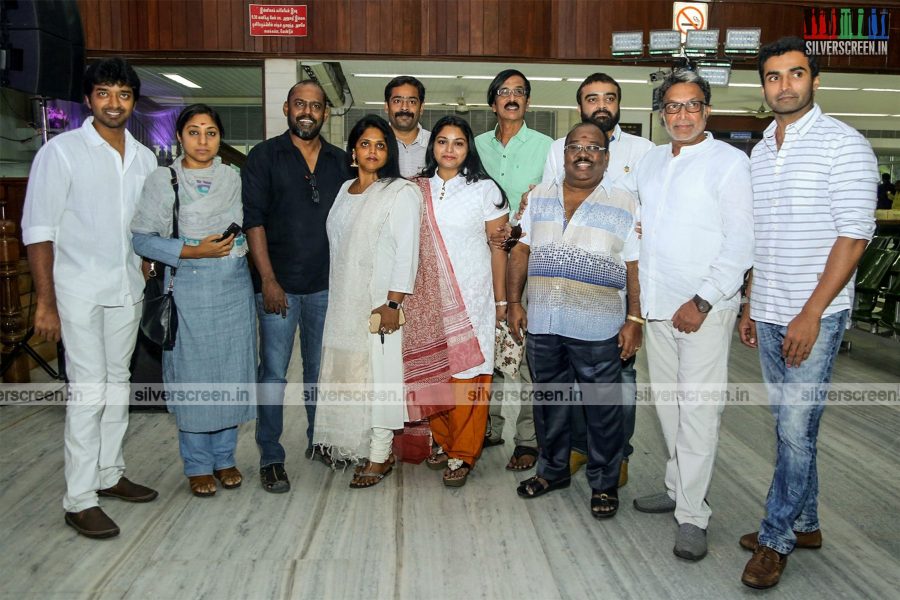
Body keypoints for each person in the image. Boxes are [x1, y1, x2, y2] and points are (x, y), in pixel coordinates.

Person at [738, 37, 878, 590]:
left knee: (796, 430)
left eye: (795, 74)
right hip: (769, 307)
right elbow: (760, 240)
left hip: (812, 315)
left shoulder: (844, 144)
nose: (784, 85)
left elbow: (854, 236)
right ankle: (808, 522)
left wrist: (811, 313)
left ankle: (776, 538)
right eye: (773, 77)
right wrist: (752, 305)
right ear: (764, 86)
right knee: (790, 427)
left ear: (814, 79)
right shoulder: (759, 151)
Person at [21, 57, 158, 539]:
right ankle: (79, 498)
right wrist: (45, 302)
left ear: (133, 101)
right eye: (104, 93)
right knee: (88, 390)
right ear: (87, 99)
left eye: (122, 94)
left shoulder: (143, 158)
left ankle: (108, 473)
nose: (114, 103)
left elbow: (143, 227)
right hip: (75, 289)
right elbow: (38, 230)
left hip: (126, 288)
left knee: (118, 382)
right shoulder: (60, 153)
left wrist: (147, 264)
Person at [627, 69, 754, 561]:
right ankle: (678, 488)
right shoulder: (652, 163)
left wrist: (702, 301)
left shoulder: (729, 162)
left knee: (698, 411)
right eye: (673, 107)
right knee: (669, 408)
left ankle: (693, 515)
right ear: (661, 114)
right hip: (658, 309)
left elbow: (741, 241)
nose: (682, 115)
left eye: (692, 105)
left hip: (703, 308)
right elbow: (635, 226)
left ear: (707, 110)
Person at [508, 122, 641, 519]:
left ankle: (603, 483)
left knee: (602, 408)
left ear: (606, 157)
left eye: (593, 147)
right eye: (576, 147)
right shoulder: (538, 197)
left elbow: (636, 265)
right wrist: (514, 302)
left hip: (598, 326)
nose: (584, 154)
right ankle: (552, 471)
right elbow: (521, 251)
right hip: (544, 322)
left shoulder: (626, 202)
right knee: (549, 403)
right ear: (563, 154)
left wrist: (634, 318)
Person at [132, 104, 256, 497]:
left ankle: (225, 458)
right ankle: (198, 464)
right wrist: (191, 251)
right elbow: (142, 238)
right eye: (194, 132)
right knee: (193, 377)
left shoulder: (234, 178)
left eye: (211, 133)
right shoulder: (162, 181)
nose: (203, 141)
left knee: (231, 375)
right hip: (187, 287)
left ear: (221, 138)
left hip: (233, 288)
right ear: (180, 137)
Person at [542, 72, 654, 486]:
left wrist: (637, 314)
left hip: (619, 284)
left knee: (618, 376)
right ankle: (576, 449)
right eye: (592, 99)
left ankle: (616, 455)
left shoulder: (643, 150)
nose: (601, 105)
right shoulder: (559, 149)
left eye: (609, 98)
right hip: (569, 283)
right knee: (572, 373)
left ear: (620, 104)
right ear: (580, 106)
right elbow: (552, 201)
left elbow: (647, 212)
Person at [242, 80, 350, 493]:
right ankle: (270, 455)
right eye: (300, 104)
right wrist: (268, 280)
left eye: (316, 106)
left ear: (326, 112)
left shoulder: (340, 161)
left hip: (325, 287)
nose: (308, 111)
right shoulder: (264, 157)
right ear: (287, 108)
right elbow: (254, 221)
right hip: (278, 287)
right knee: (272, 375)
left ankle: (317, 441)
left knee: (319, 374)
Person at [312, 115, 422, 488]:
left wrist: (393, 303)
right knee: (347, 376)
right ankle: (353, 444)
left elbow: (408, 252)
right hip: (344, 300)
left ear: (388, 151)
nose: (372, 151)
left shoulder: (401, 192)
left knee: (381, 378)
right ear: (353, 151)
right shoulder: (345, 190)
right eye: (365, 144)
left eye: (380, 144)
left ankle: (380, 454)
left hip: (379, 304)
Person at [417, 116, 509, 486]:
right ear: (433, 146)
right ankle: (443, 439)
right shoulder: (416, 188)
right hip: (428, 298)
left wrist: (502, 302)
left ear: (468, 148)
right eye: (442, 141)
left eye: (458, 142)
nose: (449, 149)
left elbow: (498, 248)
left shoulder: (485, 190)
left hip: (473, 296)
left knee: (469, 375)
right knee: (434, 373)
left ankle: (464, 452)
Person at [475, 69, 553, 471]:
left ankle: (528, 439)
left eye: (519, 92)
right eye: (504, 91)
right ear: (493, 103)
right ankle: (487, 427)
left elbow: (556, 201)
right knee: (488, 349)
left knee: (526, 352)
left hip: (529, 262)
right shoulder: (474, 147)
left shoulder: (547, 148)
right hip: (483, 263)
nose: (511, 97)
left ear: (527, 102)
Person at [384, 75, 431, 178]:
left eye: (412, 102)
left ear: (421, 108)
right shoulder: (377, 144)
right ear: (386, 106)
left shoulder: (435, 143)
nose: (404, 108)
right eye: (397, 101)